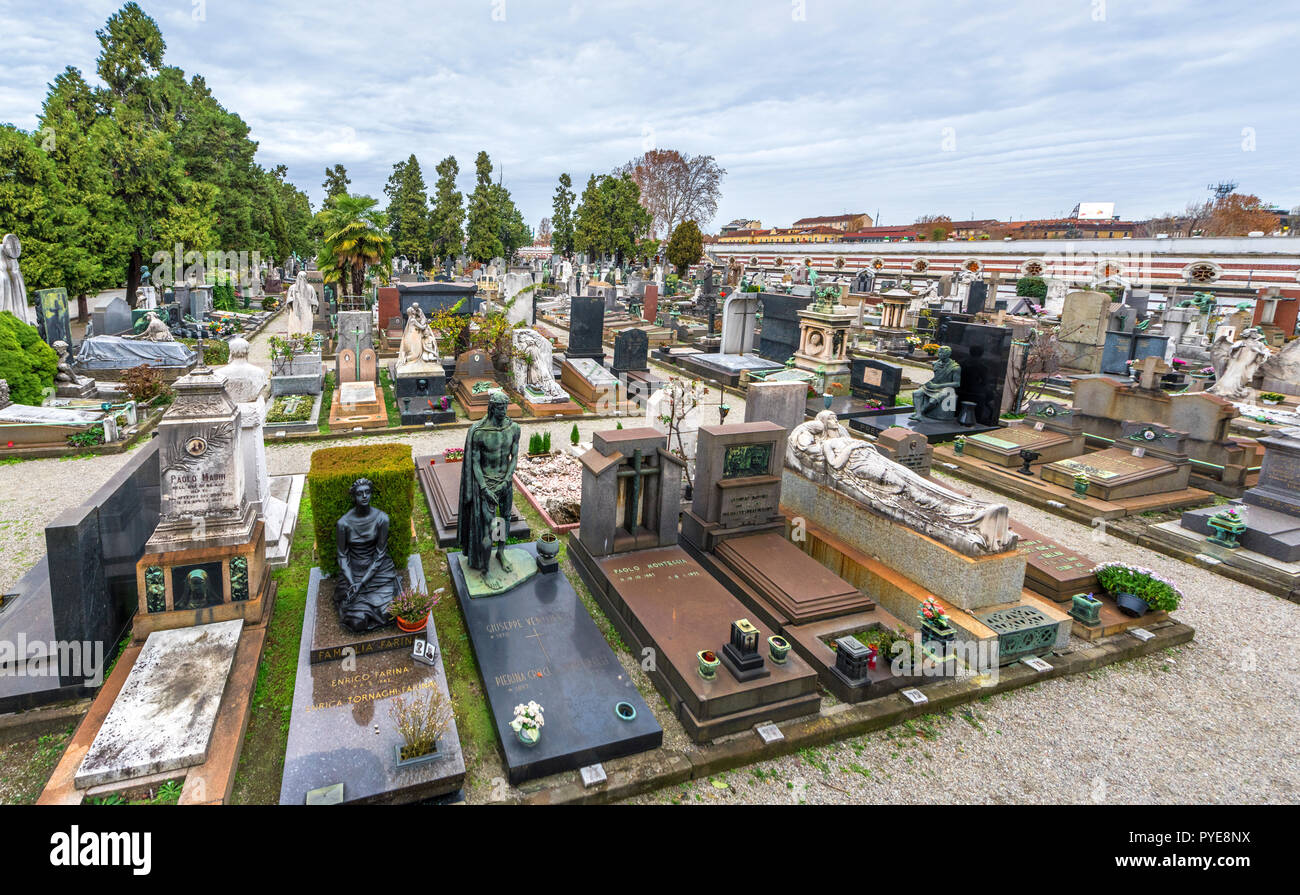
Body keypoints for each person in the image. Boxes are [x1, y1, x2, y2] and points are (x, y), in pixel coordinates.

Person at [458, 390, 521, 587]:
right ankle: (486, 570)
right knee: (489, 527)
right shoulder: (479, 432)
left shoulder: (514, 428)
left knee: (504, 519)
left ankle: (500, 553)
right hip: (487, 485)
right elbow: (475, 462)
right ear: (491, 407)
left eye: (505, 407)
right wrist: (484, 488)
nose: (503, 411)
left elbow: (514, 457)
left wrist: (508, 479)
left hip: (505, 483)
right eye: (499, 407)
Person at [336, 478, 402, 632]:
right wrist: (353, 583)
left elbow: (380, 554)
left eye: (367, 492)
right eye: (360, 493)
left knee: (388, 613)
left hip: (378, 570)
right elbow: (342, 555)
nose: (364, 496)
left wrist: (362, 584)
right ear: (354, 497)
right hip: (353, 571)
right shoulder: (343, 523)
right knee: (357, 621)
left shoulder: (382, 519)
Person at [910, 346, 961, 421]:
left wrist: (938, 385)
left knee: (932, 401)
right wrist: (926, 382)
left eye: (941, 353)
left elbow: (957, 383)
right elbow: (933, 376)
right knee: (916, 393)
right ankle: (918, 415)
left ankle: (921, 412)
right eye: (939, 352)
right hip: (933, 386)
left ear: (948, 354)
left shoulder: (955, 367)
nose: (939, 354)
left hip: (946, 388)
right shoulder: (936, 363)